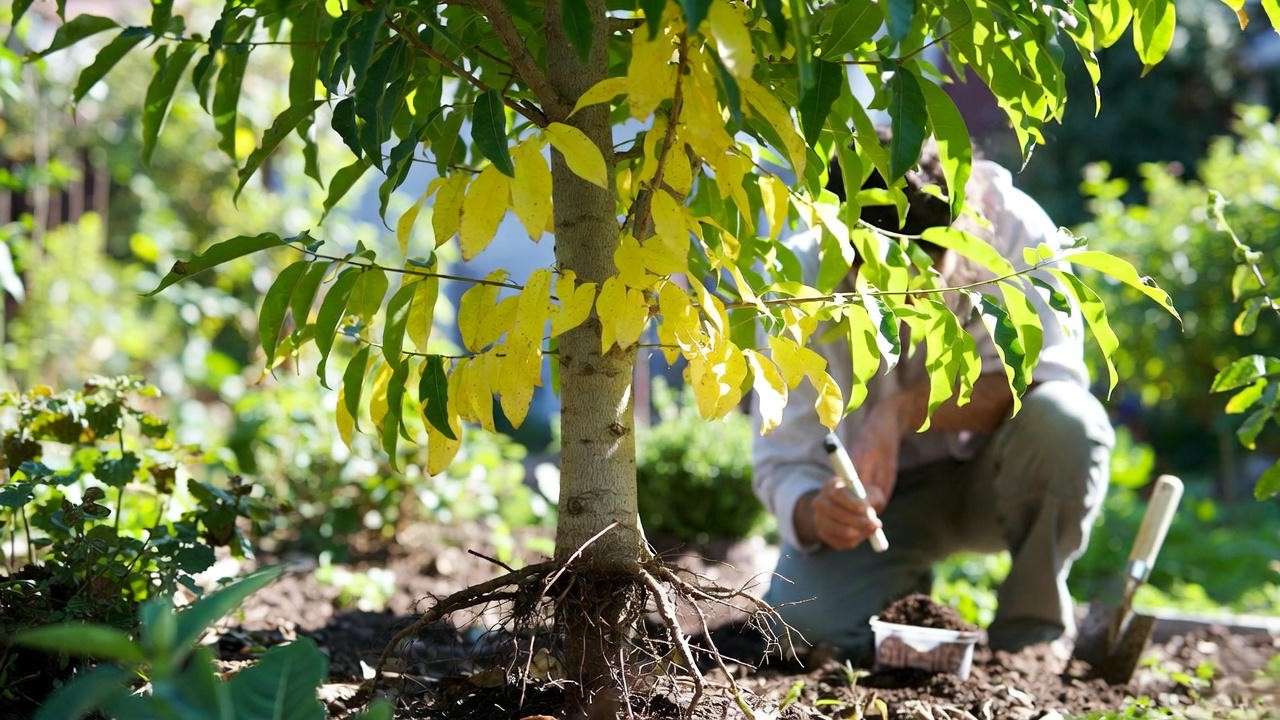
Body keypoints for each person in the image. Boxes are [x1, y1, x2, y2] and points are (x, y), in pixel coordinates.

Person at [753, 135, 1114, 660]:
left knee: (1067, 422)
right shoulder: (800, 282)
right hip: (885, 507)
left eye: (925, 287)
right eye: (883, 293)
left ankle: (1029, 635)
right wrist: (817, 511)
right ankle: (900, 602)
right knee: (799, 626)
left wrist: (898, 412)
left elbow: (1040, 380)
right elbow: (784, 459)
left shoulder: (1016, 234)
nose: (906, 312)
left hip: (998, 474)